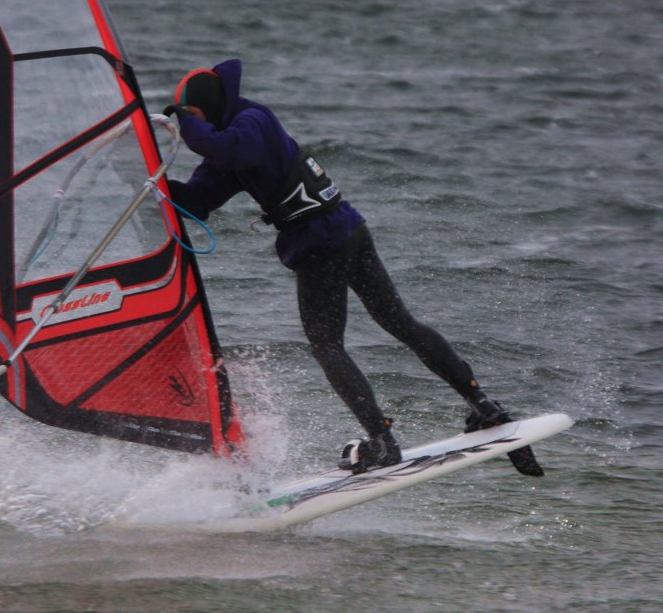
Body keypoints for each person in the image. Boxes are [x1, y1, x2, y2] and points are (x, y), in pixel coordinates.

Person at [162, 59, 542, 476]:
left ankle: (384, 440)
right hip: (344, 230)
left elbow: (224, 146)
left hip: (322, 240)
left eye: (195, 117)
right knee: (398, 322)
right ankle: (483, 407)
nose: (191, 127)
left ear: (212, 107)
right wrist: (153, 184)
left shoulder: (253, 121)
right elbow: (197, 201)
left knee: (329, 344)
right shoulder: (231, 145)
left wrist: (180, 120)